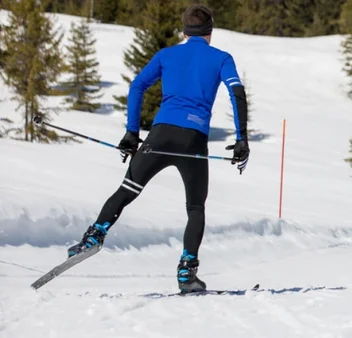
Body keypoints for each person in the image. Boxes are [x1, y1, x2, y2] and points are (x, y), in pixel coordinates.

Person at [66, 4, 250, 293]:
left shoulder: (166, 55)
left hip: (160, 136)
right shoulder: (222, 58)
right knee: (195, 208)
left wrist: (131, 132)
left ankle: (94, 235)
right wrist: (241, 139)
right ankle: (187, 271)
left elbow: (137, 86)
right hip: (194, 141)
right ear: (210, 32)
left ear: (185, 31)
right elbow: (237, 92)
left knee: (127, 189)